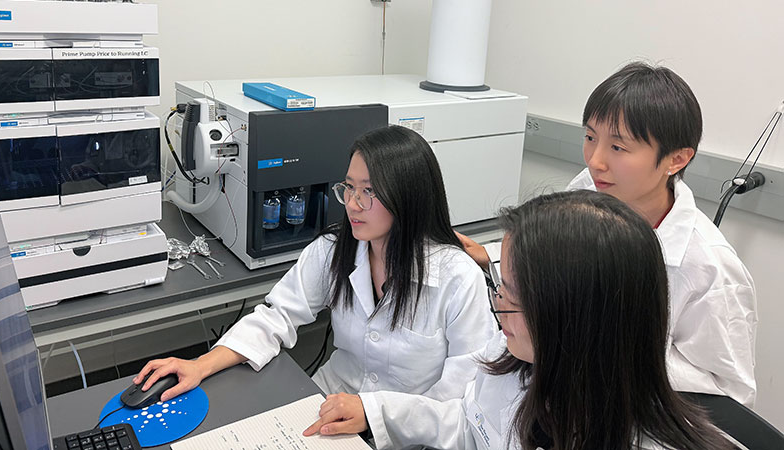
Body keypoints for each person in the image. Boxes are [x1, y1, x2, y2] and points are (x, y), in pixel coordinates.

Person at [305, 190, 733, 450]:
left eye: (513, 292)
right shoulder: (510, 359)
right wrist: (378, 412)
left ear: (575, 317)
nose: (497, 302)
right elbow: (473, 426)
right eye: (501, 282)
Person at [458, 62, 757, 406]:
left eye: (618, 147)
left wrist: (607, 345)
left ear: (676, 159)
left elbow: (730, 395)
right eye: (589, 137)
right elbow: (564, 257)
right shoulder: (593, 187)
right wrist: (494, 254)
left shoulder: (711, 268)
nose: (595, 160)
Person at [133, 125, 493, 403]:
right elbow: (278, 316)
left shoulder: (457, 279)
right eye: (349, 188)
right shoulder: (335, 249)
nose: (352, 204)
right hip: (328, 402)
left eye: (369, 192)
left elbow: (461, 394)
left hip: (409, 434)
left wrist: (377, 419)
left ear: (409, 198)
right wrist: (201, 365)